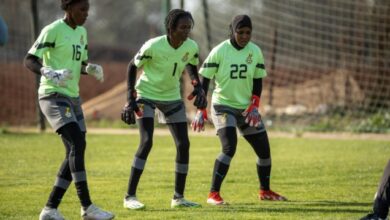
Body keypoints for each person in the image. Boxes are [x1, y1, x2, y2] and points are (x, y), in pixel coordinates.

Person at [24, 0, 114, 219]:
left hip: (73, 98)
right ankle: (87, 207)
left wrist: (89, 68)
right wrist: (47, 72)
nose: (86, 14)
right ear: (68, 8)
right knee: (78, 143)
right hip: (53, 96)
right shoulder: (53, 30)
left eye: (87, 10)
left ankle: (50, 209)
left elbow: (79, 63)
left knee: (75, 150)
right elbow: (29, 59)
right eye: (82, 9)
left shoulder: (82, 32)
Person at [194, 14, 287, 205]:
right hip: (223, 106)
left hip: (246, 109)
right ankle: (213, 194)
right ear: (232, 31)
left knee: (264, 151)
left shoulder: (255, 51)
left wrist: (254, 105)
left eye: (248, 32)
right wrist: (201, 109)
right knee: (229, 148)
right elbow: (205, 79)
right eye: (240, 32)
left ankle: (265, 191)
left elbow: (257, 80)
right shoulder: (220, 50)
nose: (245, 36)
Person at [120, 9, 207, 209]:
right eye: (183, 27)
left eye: (189, 27)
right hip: (146, 95)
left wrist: (197, 84)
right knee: (147, 141)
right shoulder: (153, 45)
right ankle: (129, 197)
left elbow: (191, 64)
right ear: (171, 28)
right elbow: (132, 66)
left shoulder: (191, 46)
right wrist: (129, 99)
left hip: (171, 98)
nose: (187, 31)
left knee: (183, 144)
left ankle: (178, 198)